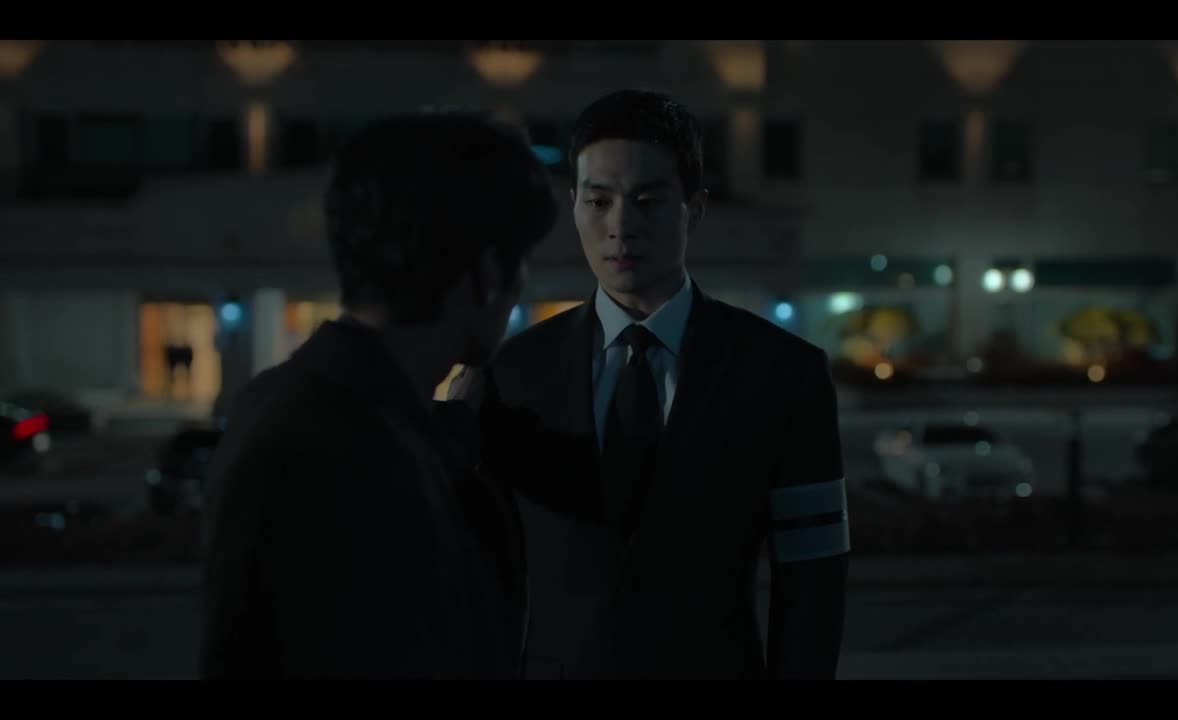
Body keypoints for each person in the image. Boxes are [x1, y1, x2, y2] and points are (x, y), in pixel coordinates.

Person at [450, 89, 850, 680]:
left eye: (648, 201)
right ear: (574, 205)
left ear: (696, 208)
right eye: (599, 201)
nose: (620, 227)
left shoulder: (782, 373)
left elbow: (813, 581)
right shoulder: (512, 372)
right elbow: (483, 581)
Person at [199, 111, 558, 679]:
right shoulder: (349, 457)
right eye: (519, 261)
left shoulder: (287, 403)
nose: (519, 285)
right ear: (488, 272)